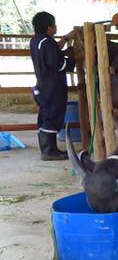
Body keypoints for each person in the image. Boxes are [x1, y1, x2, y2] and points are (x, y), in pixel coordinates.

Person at [29, 11, 76, 161]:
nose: (56, 27)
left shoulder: (37, 40)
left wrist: (66, 39)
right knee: (53, 115)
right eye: (54, 25)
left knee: (45, 114)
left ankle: (48, 149)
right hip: (53, 86)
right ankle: (49, 151)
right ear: (49, 27)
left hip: (43, 85)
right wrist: (74, 59)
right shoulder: (47, 43)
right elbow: (59, 64)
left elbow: (54, 50)